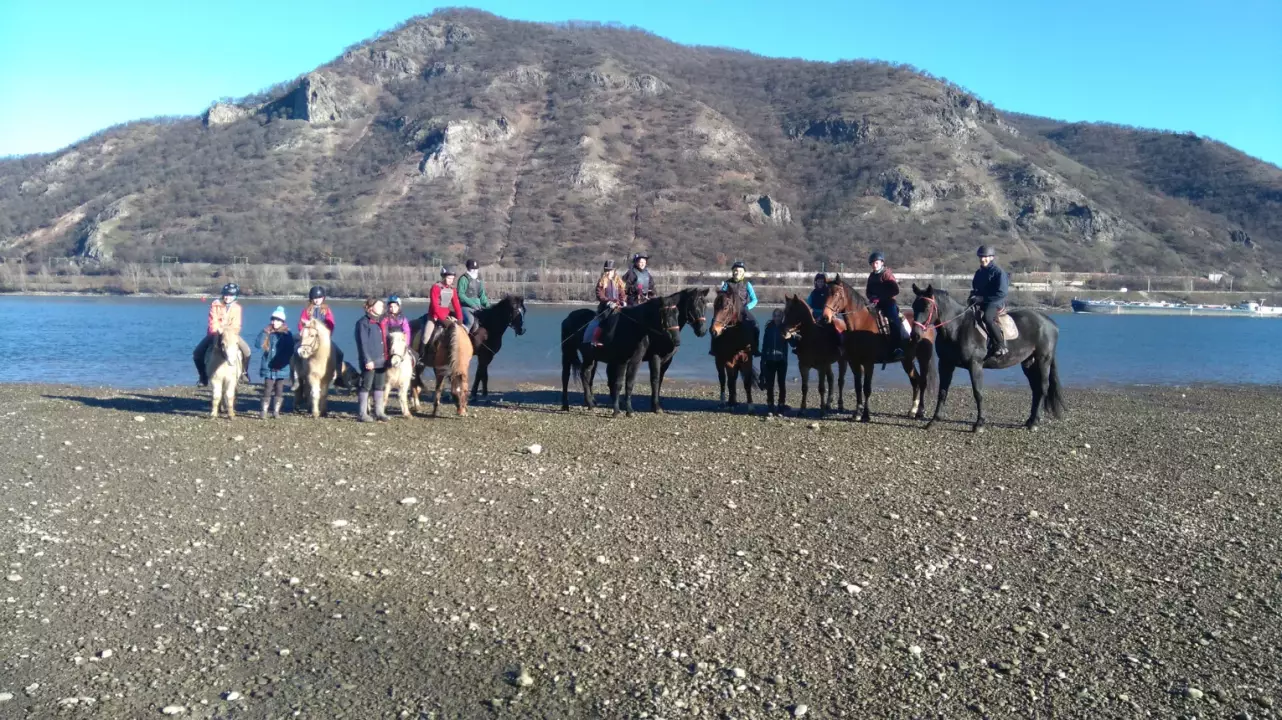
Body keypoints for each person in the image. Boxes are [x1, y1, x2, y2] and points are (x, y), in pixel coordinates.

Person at [193, 283, 252, 386]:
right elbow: (213, 321)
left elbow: (236, 324)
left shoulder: (237, 308)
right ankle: (203, 377)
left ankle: (244, 373)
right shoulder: (215, 304)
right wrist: (218, 331)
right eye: (226, 294)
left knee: (247, 351)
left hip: (231, 334)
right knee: (197, 353)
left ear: (235, 296)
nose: (227, 297)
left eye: (230, 295)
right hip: (215, 333)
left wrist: (229, 332)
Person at [254, 306, 295, 419]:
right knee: (267, 387)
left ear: (282, 321)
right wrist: (263, 332)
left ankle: (276, 411)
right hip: (268, 365)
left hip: (281, 366)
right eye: (273, 319)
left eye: (277, 320)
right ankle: (264, 410)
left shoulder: (287, 334)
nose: (274, 322)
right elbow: (257, 345)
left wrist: (281, 362)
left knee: (279, 388)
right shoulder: (267, 331)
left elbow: (290, 350)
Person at [970, 245, 1010, 357]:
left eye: (985, 257)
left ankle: (1001, 345)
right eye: (981, 257)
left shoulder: (999, 273)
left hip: (995, 302)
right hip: (981, 301)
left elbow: (1002, 292)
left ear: (991, 257)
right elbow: (976, 289)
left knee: (987, 318)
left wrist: (983, 298)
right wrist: (972, 296)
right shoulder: (978, 273)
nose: (983, 259)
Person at [354, 297, 390, 422]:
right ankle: (362, 413)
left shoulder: (382, 322)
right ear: (370, 308)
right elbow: (362, 343)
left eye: (382, 306)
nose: (382, 308)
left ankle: (379, 412)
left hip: (382, 359)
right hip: (369, 361)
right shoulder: (363, 323)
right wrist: (367, 360)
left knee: (379, 386)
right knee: (365, 386)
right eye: (379, 305)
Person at [866, 252, 905, 360]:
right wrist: (872, 298)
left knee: (893, 321)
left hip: (888, 303)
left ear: (881, 263)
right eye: (873, 263)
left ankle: (898, 348)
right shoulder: (871, 276)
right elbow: (868, 291)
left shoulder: (887, 274)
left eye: (876, 263)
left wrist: (881, 297)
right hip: (875, 304)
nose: (874, 265)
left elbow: (895, 290)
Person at [717, 260, 760, 356]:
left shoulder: (747, 284)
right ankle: (714, 348)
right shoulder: (727, 284)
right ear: (733, 272)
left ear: (743, 273)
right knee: (714, 323)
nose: (737, 273)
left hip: (743, 310)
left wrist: (747, 307)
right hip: (729, 311)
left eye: (740, 271)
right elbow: (721, 297)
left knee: (756, 325)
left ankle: (755, 348)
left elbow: (754, 300)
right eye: (736, 270)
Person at [758, 308, 795, 414]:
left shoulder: (785, 328)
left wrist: (790, 337)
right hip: (770, 359)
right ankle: (770, 403)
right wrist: (763, 359)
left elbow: (793, 344)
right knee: (770, 383)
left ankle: (781, 404)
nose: (777, 318)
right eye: (775, 316)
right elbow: (765, 345)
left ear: (782, 317)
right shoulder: (769, 328)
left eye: (779, 316)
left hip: (781, 360)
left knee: (781, 383)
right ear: (773, 317)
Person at [585, 260, 626, 347]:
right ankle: (595, 339)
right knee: (605, 320)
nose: (609, 272)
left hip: (617, 306)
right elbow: (600, 294)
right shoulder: (602, 281)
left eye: (611, 270)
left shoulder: (618, 281)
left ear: (614, 270)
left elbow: (622, 293)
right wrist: (608, 301)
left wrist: (623, 301)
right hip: (606, 307)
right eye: (607, 270)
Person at [423, 268, 465, 352]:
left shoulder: (452, 289)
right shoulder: (436, 288)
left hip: (446, 315)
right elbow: (435, 306)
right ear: (443, 277)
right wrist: (443, 320)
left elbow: (456, 304)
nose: (450, 280)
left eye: (452, 279)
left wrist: (460, 318)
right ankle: (421, 356)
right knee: (426, 336)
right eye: (449, 278)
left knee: (464, 330)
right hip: (434, 316)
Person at [456, 259, 490, 330]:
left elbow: (482, 295)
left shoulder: (478, 281)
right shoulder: (463, 279)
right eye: (472, 269)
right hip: (465, 307)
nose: (475, 271)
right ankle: (463, 338)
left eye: (476, 269)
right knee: (470, 321)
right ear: (468, 268)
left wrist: (488, 306)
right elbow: (460, 294)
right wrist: (472, 304)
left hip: (478, 307)